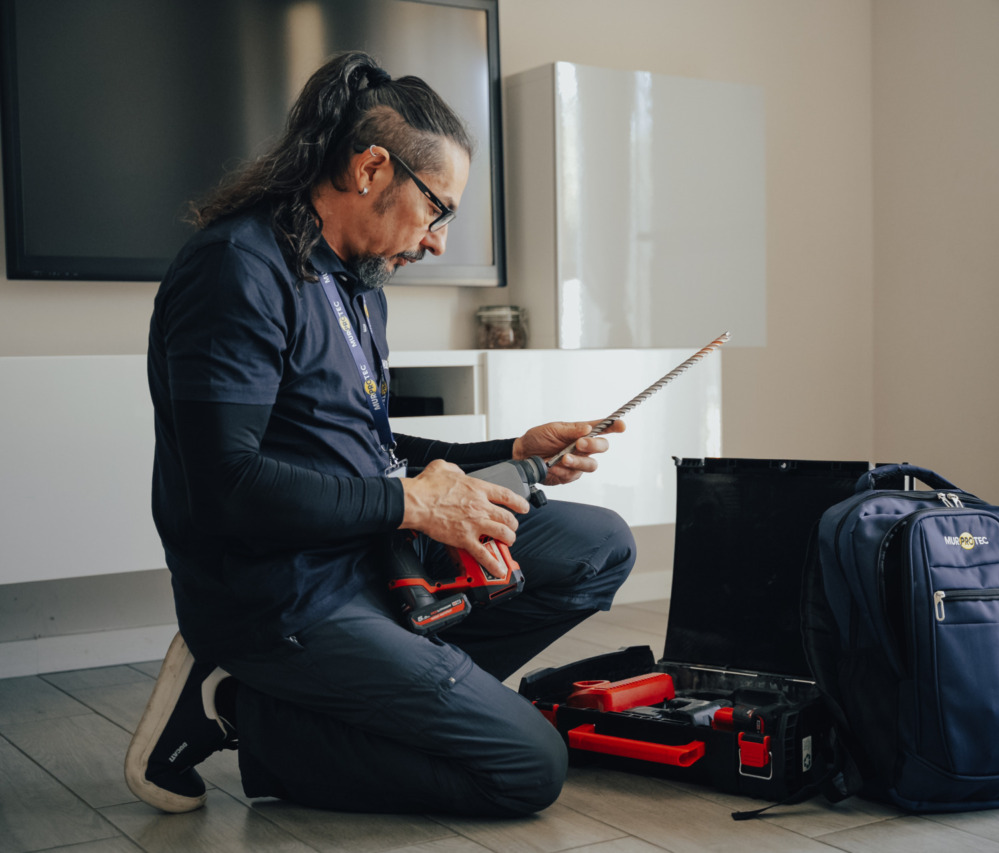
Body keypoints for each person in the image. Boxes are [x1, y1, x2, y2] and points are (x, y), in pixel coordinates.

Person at [125, 50, 636, 818]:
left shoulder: (356, 281)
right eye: (438, 209)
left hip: (369, 550)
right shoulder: (236, 269)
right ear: (370, 168)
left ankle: (382, 695)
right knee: (529, 766)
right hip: (280, 593)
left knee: (601, 544)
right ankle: (244, 705)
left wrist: (511, 454)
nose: (438, 241)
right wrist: (415, 505)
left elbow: (367, 448)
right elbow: (226, 488)